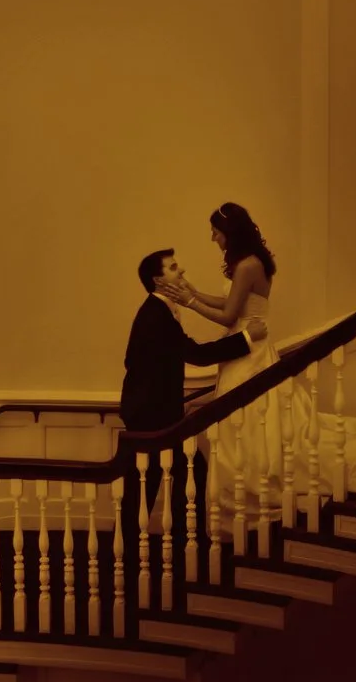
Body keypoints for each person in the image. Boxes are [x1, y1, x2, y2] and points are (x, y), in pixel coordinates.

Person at [159, 203, 314, 498]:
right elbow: (228, 301)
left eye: (216, 233)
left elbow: (229, 315)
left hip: (249, 349)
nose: (213, 239)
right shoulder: (251, 262)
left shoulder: (247, 266)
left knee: (244, 423)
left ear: (231, 232)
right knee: (241, 422)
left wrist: (190, 303)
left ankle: (251, 493)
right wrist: (191, 291)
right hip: (245, 344)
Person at [120, 248, 249, 435]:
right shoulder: (156, 316)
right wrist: (246, 337)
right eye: (173, 268)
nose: (181, 270)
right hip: (150, 414)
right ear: (158, 280)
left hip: (153, 409)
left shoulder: (157, 309)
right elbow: (198, 355)